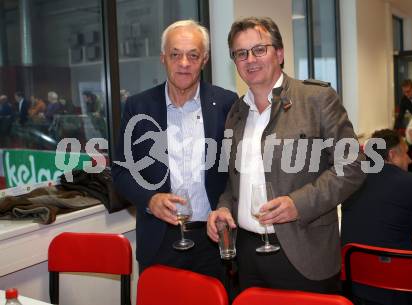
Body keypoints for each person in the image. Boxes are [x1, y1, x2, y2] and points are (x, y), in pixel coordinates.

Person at [207, 17, 365, 293]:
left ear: (279, 53)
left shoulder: (316, 99)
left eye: (259, 49)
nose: (250, 59)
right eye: (241, 53)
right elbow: (234, 183)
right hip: (247, 257)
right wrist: (223, 208)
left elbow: (352, 166)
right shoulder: (235, 113)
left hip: (305, 253)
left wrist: (298, 204)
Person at [111, 20, 238, 279]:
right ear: (163, 58)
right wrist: (150, 200)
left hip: (213, 240)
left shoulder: (226, 103)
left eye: (193, 55)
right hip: (159, 240)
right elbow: (121, 173)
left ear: (204, 60)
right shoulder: (138, 107)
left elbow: (238, 170)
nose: (184, 63)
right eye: (175, 54)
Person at [341, 129, 412, 305]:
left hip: (355, 285)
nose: (409, 160)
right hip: (399, 289)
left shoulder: (350, 181)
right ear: (392, 155)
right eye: (406, 154)